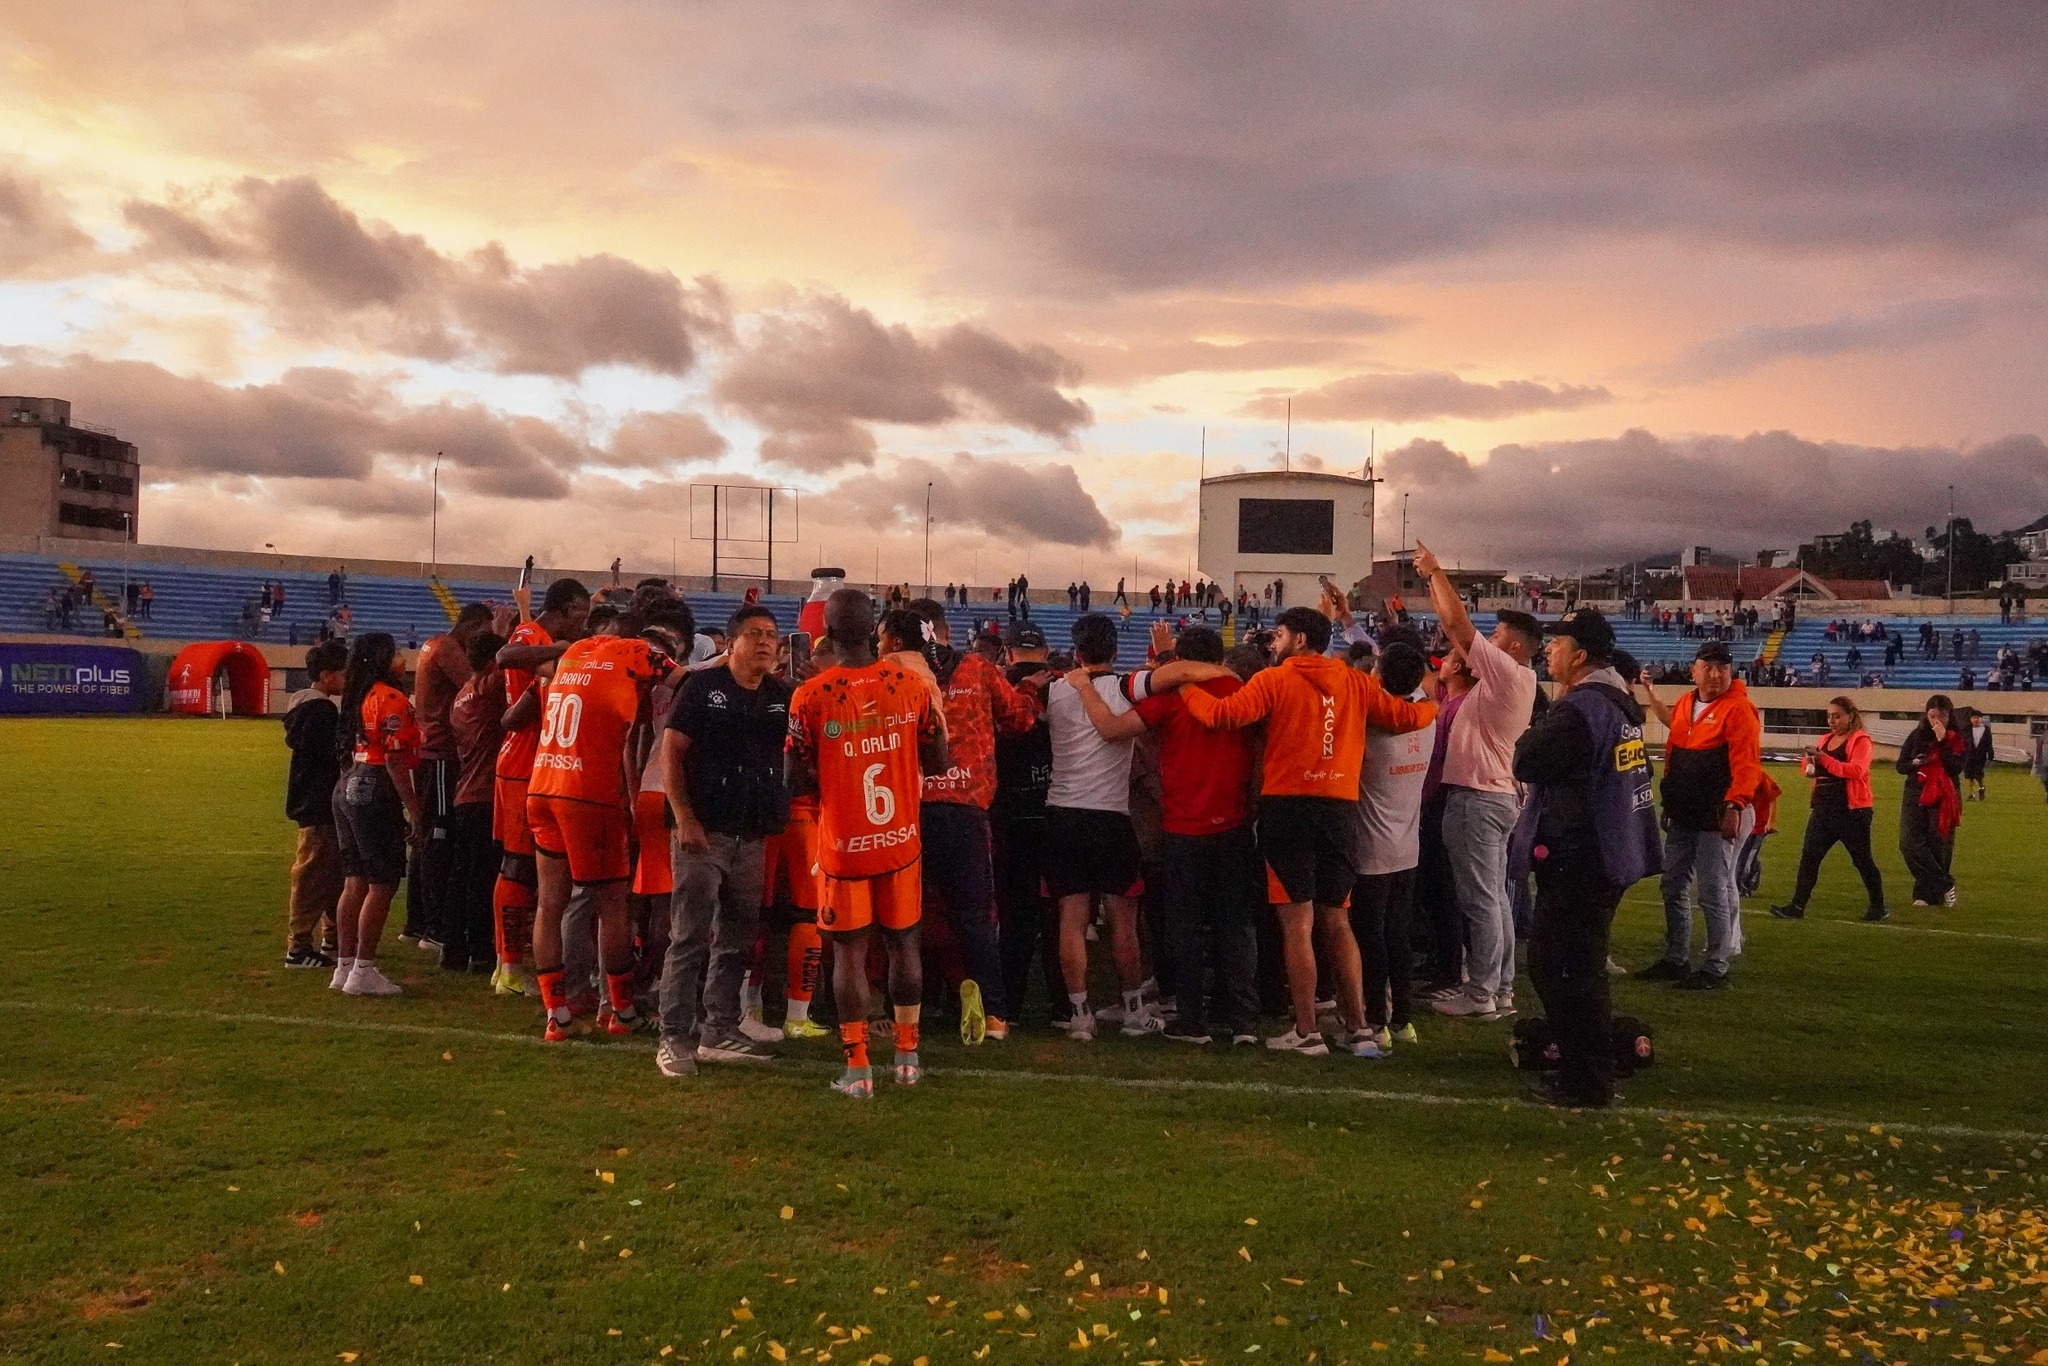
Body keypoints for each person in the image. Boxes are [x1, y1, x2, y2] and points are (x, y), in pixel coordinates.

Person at [1157, 602, 1437, 1056]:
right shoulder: (1354, 681)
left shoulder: (1274, 679)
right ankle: (1359, 1028)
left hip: (1288, 809)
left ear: (1301, 639)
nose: (1273, 640)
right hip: (1341, 810)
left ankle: (1306, 1031)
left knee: (1297, 924)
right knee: (1337, 920)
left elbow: (1221, 716)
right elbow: (1407, 717)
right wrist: (1434, 709)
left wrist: (1184, 682)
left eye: (1280, 634)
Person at [786, 589, 949, 1099]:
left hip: (845, 843)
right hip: (900, 839)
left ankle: (858, 1071)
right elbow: (940, 761)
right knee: (905, 944)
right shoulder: (911, 684)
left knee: (850, 958)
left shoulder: (811, 695)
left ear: (828, 634)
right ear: (876, 628)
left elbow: (793, 780)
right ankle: (907, 1058)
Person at [1068, 623, 1258, 1047]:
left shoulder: (1172, 700)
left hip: (1183, 828)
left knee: (1185, 929)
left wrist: (1083, 688)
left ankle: (1194, 1021)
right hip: (1233, 825)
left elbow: (1110, 729)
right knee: (1236, 926)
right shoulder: (1243, 692)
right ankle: (1244, 1021)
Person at [1510, 609, 1661, 1109]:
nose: (1548, 651)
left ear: (1579, 656)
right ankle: (1589, 1069)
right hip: (1605, 852)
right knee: (1577, 965)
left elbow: (1527, 758)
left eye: (1557, 643)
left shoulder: (1582, 709)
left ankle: (1585, 1078)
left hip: (1581, 855)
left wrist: (1537, 727)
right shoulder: (1616, 706)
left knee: (1562, 967)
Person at [655, 604, 793, 1074]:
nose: (764, 642)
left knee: (737, 939)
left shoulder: (780, 695)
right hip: (704, 832)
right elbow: (671, 754)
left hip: (752, 835)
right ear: (731, 643)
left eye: (771, 634)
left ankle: (719, 1029)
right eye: (754, 634)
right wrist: (684, 816)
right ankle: (673, 1036)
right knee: (689, 935)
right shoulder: (702, 688)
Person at [905, 598, 1045, 1044]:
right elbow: (1020, 720)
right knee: (976, 919)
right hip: (964, 808)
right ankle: (997, 1016)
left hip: (907, 809)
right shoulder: (979, 669)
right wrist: (1031, 690)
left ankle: (904, 1013)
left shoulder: (894, 676)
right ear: (945, 629)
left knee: (902, 917)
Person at [1411, 542, 1540, 1021]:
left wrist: (1434, 573)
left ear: (1515, 647)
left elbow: (1457, 626)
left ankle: (1482, 992)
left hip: (1479, 798)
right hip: (1493, 796)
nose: (1490, 637)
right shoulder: (1509, 681)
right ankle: (1500, 987)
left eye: (1499, 632)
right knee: (1496, 898)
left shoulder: (1508, 674)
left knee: (1481, 899)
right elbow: (1456, 633)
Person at [527, 607, 663, 1042]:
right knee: (612, 906)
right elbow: (684, 679)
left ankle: (556, 1014)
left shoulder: (572, 655)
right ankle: (620, 1009)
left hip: (543, 782)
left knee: (551, 903)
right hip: (588, 793)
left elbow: (512, 656)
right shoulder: (634, 653)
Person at [1042, 614, 1161, 1041]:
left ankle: (1079, 1016)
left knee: (1071, 921)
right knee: (1123, 923)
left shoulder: (1055, 690)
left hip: (1063, 814)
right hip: (1111, 816)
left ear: (1075, 651)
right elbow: (1165, 679)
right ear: (1115, 651)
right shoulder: (1127, 687)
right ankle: (1132, 1012)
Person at [1634, 640, 1764, 990]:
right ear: (1693, 671)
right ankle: (1676, 958)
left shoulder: (1739, 709)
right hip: (1684, 813)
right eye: (1708, 666)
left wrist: (1735, 805)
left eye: (1722, 667)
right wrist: (1670, 803)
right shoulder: (1688, 705)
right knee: (1672, 884)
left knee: (1712, 890)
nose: (1716, 674)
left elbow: (1747, 765)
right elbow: (1675, 748)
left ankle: (1716, 966)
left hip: (1715, 815)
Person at [489, 579, 592, 997]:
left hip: (536, 761)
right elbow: (505, 655)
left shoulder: (541, 634)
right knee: (516, 864)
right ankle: (508, 967)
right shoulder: (534, 636)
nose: (582, 626)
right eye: (581, 616)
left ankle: (513, 963)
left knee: (531, 868)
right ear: (568, 609)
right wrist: (559, 651)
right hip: (521, 762)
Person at [1349, 641, 1435, 1057]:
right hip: (1407, 846)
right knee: (1397, 935)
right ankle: (1403, 1019)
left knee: (1371, 938)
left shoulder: (1373, 723)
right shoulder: (1426, 717)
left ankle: (1377, 1020)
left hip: (1371, 849)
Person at [329, 633, 425, 998]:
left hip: (349, 783)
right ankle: (363, 970)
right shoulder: (390, 697)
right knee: (382, 883)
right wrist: (414, 810)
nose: (402, 658)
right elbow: (396, 759)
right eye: (397, 652)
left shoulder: (357, 696)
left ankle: (345, 964)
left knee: (354, 880)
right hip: (374, 784)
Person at [409, 602, 496, 961]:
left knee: (431, 840)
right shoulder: (448, 649)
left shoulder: (434, 643)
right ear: (473, 627)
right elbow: (475, 683)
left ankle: (419, 921)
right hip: (442, 754)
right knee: (442, 842)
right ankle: (436, 929)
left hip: (432, 751)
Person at [991, 624, 1064, 1027]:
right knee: (1061, 916)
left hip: (1009, 812)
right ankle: (1065, 1006)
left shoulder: (996, 687)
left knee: (1014, 917)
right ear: (1048, 651)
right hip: (1056, 807)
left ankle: (1010, 1005)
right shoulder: (1068, 687)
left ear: (1008, 653)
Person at [1769, 696, 1885, 923]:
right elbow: (1810, 769)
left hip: (1852, 812)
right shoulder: (1825, 739)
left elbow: (1856, 771)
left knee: (1862, 860)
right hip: (1823, 810)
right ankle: (1797, 905)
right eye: (1829, 716)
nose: (1832, 720)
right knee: (1809, 858)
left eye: (1837, 716)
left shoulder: (1860, 740)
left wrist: (1824, 759)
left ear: (1850, 716)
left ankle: (1879, 906)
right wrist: (1809, 762)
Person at [281, 641, 349, 968]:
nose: (347, 677)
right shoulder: (322, 711)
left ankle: (333, 938)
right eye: (342, 672)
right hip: (319, 804)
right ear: (326, 676)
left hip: (311, 802)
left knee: (331, 874)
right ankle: (298, 948)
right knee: (313, 876)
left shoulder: (303, 707)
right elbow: (332, 756)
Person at [447, 630, 509, 976]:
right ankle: (481, 951)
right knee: (483, 878)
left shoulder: (461, 696)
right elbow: (516, 658)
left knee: (462, 875)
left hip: (464, 793)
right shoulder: (489, 687)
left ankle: (455, 949)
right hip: (486, 793)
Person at [1897, 695, 1967, 907]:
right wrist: (1915, 762)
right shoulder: (1917, 735)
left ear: (1949, 716)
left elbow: (1955, 767)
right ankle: (1946, 885)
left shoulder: (1957, 738)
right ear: (1926, 715)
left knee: (1939, 843)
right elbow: (1901, 766)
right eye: (1932, 716)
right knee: (1909, 843)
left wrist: (1943, 741)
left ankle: (1928, 895)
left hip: (1944, 793)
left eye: (1942, 716)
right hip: (1915, 791)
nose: (1936, 721)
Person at [1963, 710, 1993, 802]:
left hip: (1980, 756)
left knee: (1978, 774)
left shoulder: (1986, 729)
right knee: (1969, 775)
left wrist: (1990, 754)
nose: (1975, 720)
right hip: (1969, 755)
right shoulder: (1967, 729)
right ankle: (1971, 794)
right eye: (1973, 718)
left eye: (1977, 718)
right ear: (1970, 719)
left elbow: (1989, 743)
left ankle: (1981, 788)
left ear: (1981, 719)